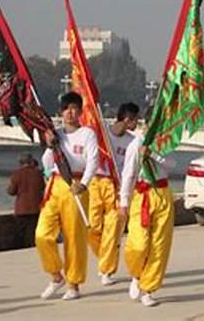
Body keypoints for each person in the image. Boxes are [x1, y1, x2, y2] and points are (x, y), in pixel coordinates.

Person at [36, 92, 98, 300]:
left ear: (80, 111)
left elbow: (93, 161)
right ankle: (56, 276)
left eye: (74, 108)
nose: (70, 112)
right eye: (66, 109)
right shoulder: (56, 134)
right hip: (55, 185)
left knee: (74, 238)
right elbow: (46, 162)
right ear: (61, 112)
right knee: (42, 234)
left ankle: (74, 284)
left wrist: (84, 183)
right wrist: (50, 144)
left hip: (76, 186)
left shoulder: (87, 134)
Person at [119, 121, 176, 307]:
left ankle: (149, 289)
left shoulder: (165, 143)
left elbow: (172, 164)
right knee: (139, 244)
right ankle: (137, 274)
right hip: (142, 196)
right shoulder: (135, 145)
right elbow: (128, 174)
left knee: (159, 244)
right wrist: (124, 201)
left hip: (162, 194)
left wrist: (153, 155)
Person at [88, 102, 140, 286]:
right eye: (135, 120)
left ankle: (106, 270)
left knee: (112, 229)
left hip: (117, 187)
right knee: (92, 228)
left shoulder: (132, 142)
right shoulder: (101, 134)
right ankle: (106, 255)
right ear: (127, 119)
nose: (137, 124)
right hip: (96, 183)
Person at [7, 154, 45, 248]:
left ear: (21, 163)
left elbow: (11, 191)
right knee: (34, 231)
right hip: (36, 207)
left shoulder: (17, 174)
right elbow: (42, 187)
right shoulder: (38, 173)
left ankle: (19, 248)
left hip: (21, 209)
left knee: (20, 232)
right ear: (31, 162)